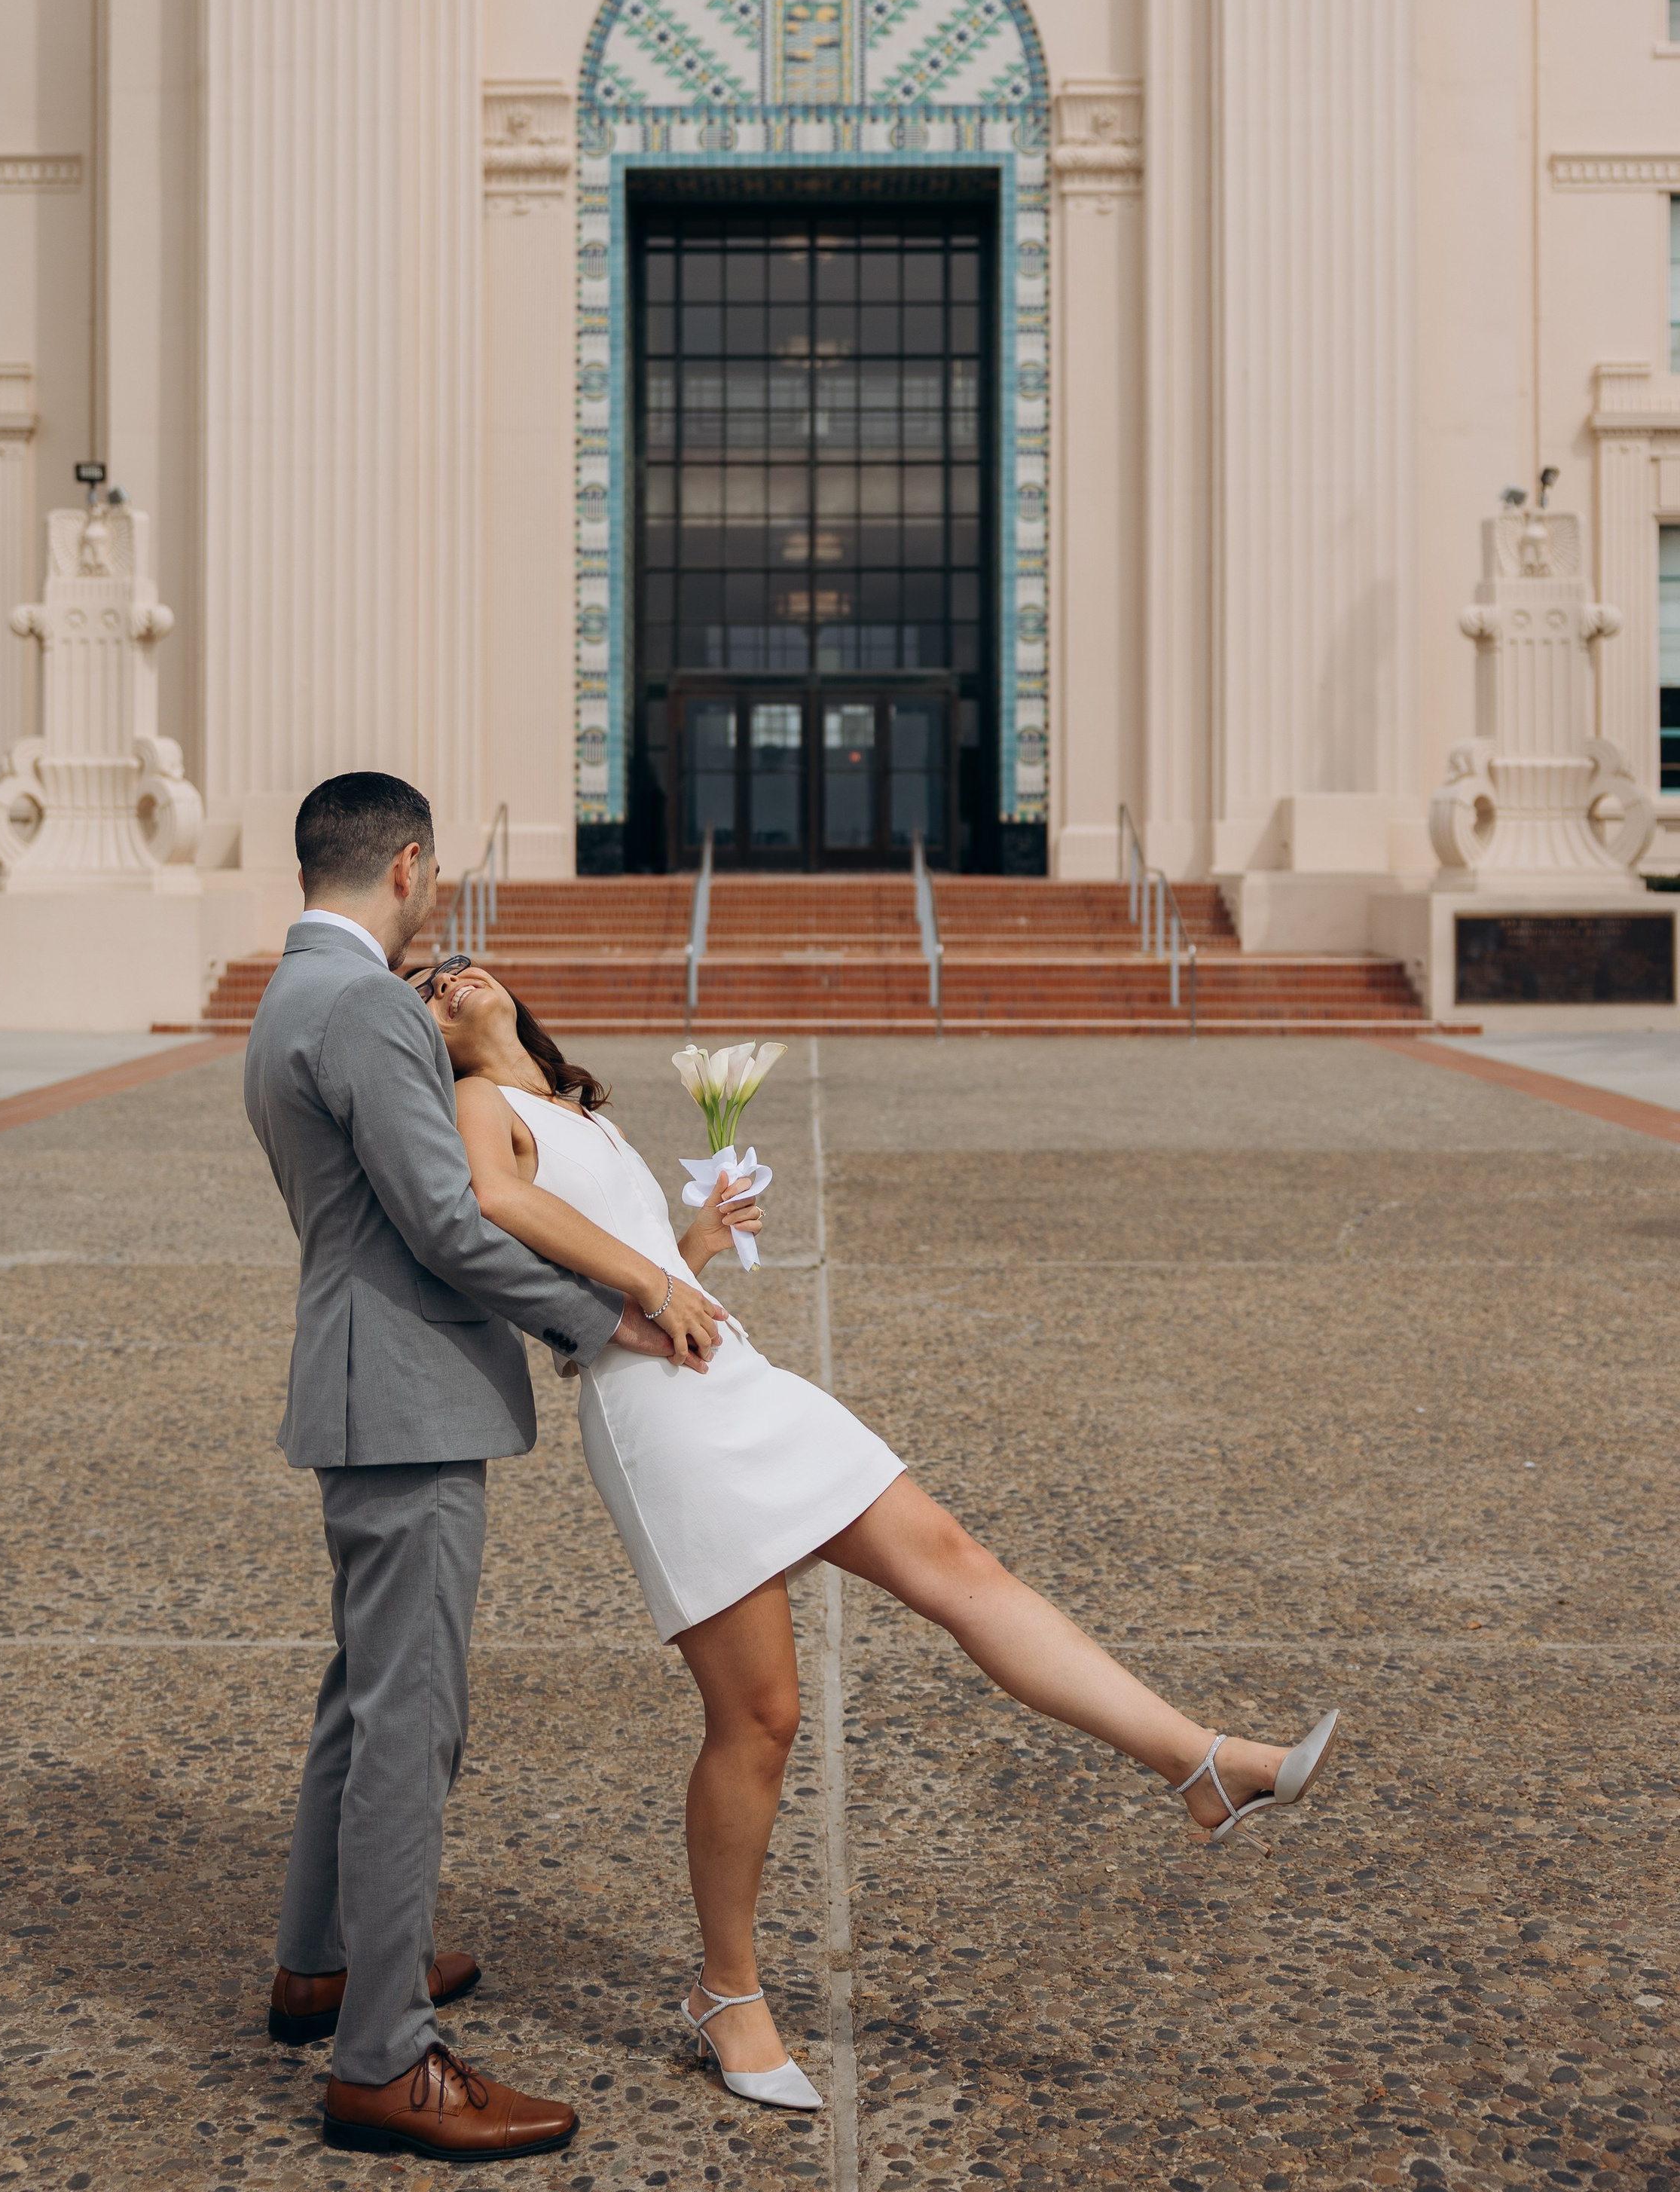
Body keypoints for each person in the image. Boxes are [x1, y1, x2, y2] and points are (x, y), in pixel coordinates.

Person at [426, 961, 1340, 2113]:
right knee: (761, 1718)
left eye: (460, 961)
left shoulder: (577, 1105)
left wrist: (692, 1245)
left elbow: (631, 1259)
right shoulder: (478, 1103)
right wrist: (655, 1283)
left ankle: (1201, 1763)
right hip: (654, 1407)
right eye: (425, 986)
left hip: (732, 1372)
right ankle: (727, 1994)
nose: (452, 977)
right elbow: (500, 1208)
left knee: (963, 1564)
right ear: (431, 1040)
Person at [244, 773, 729, 2165]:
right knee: (413, 1724)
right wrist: (615, 1314)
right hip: (403, 1400)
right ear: (408, 864)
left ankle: (323, 1965)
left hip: (365, 1387)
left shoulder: (296, 993)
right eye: (435, 874)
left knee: (364, 1699)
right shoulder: (363, 1008)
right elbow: (452, 1221)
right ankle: (384, 2058)